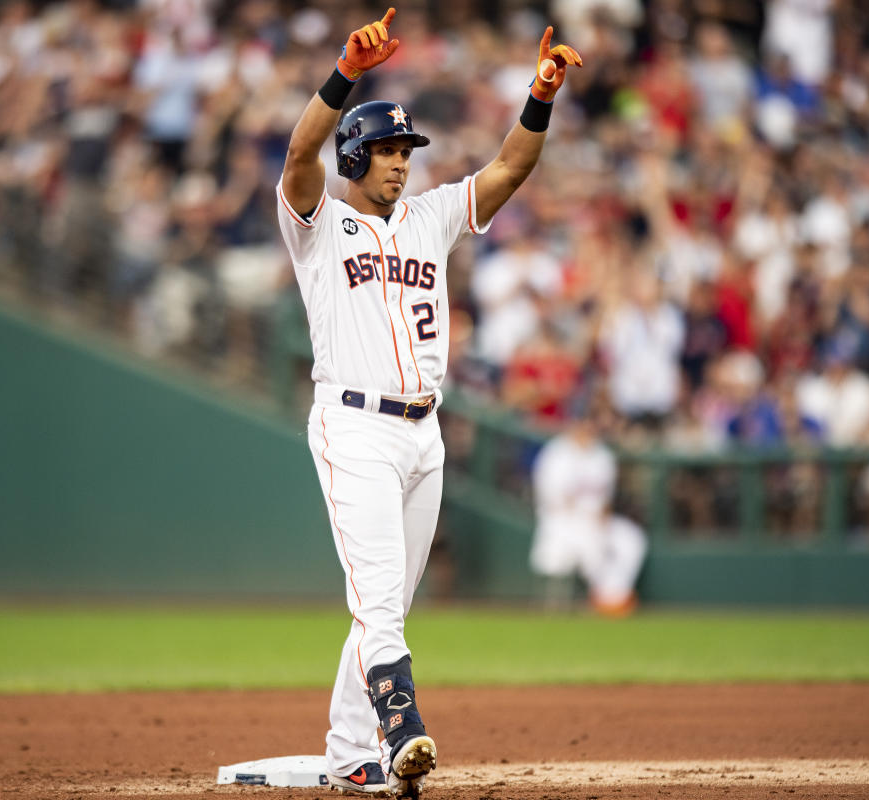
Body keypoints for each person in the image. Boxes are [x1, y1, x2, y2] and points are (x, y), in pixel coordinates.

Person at [274, 8, 581, 798]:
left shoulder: (432, 216)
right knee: (379, 601)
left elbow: (509, 169)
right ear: (355, 152)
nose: (401, 163)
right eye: (385, 150)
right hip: (353, 427)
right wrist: (346, 72)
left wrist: (540, 92)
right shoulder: (321, 226)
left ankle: (350, 753)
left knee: (388, 604)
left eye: (407, 150)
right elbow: (298, 151)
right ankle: (402, 729)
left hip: (424, 433)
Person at [530, 416, 648, 616]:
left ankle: (614, 597)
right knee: (590, 545)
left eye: (590, 426)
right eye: (582, 425)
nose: (587, 431)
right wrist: (586, 515)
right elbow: (553, 500)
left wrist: (601, 516)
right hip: (563, 522)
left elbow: (605, 500)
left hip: (595, 521)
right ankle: (605, 600)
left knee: (630, 539)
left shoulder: (601, 455)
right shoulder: (556, 453)